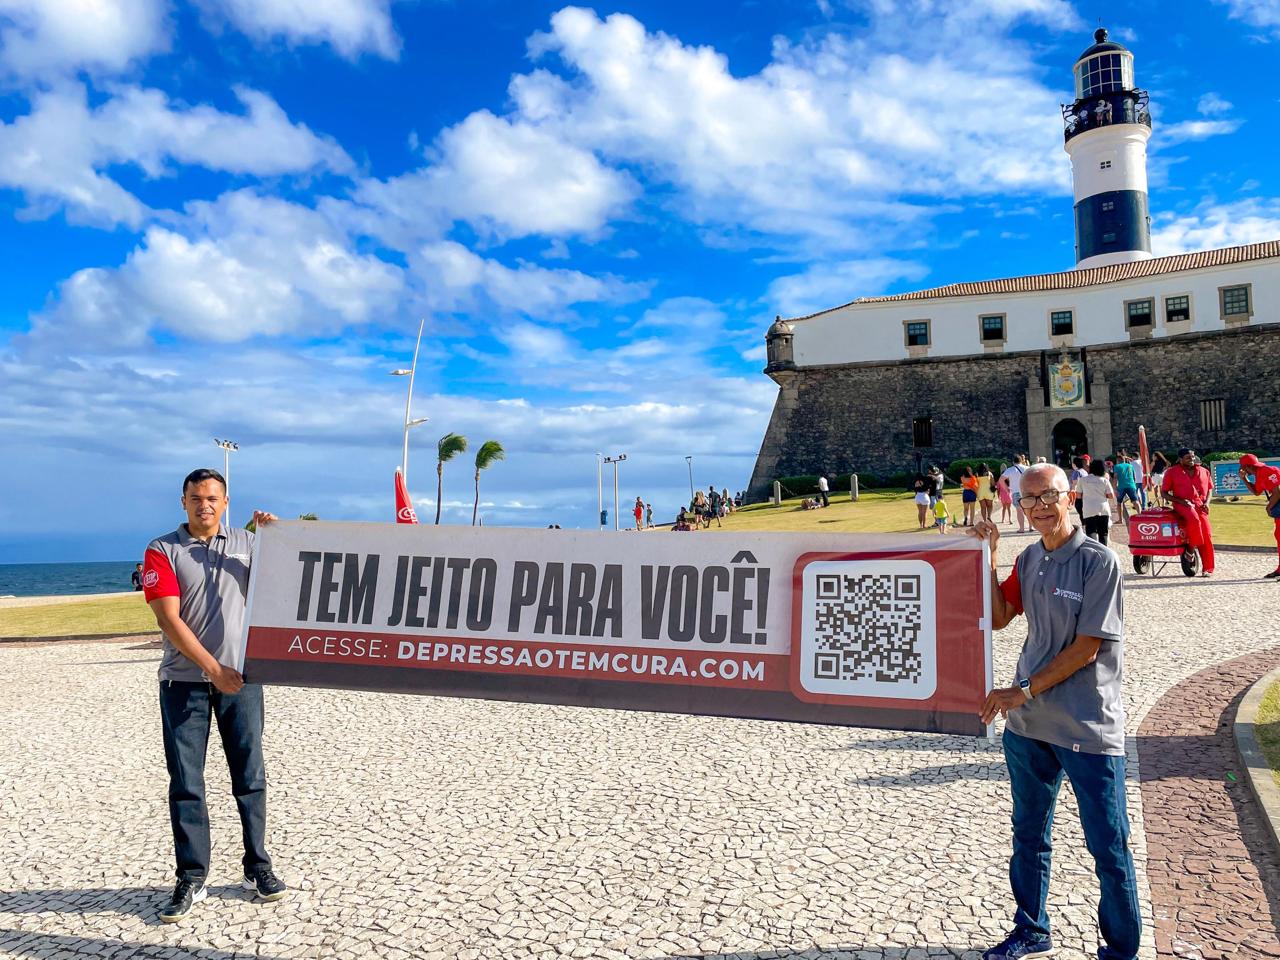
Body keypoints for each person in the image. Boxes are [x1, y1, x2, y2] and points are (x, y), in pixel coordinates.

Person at [968, 464, 1139, 960]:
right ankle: (1032, 929)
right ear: (1020, 506)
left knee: (1109, 847)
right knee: (1028, 835)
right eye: (1030, 499)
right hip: (1029, 727)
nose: (1040, 505)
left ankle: (1122, 949)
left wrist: (1022, 688)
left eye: (1049, 495)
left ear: (1071, 499)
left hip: (1086, 724)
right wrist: (990, 555)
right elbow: (999, 618)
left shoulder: (1098, 562)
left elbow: (1088, 646)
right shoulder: (1029, 560)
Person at [142, 468, 287, 923]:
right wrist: (213, 670)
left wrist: (275, 535)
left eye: (212, 498)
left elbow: (285, 586)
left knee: (250, 776)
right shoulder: (162, 549)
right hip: (183, 684)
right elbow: (168, 619)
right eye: (195, 498)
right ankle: (192, 876)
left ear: (226, 503)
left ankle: (257, 868)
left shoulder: (248, 544)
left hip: (242, 682)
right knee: (187, 784)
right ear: (183, 502)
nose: (204, 505)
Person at [1161, 448, 1215, 577]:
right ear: (1180, 459)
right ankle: (1190, 550)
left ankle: (1208, 568)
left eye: (1192, 457)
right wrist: (1180, 501)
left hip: (1200, 505)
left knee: (1206, 534)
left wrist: (1207, 503)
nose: (1191, 459)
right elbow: (1164, 493)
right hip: (1182, 504)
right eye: (1187, 457)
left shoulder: (1204, 471)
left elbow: (1209, 490)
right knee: (1194, 519)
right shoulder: (1171, 472)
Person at [1238, 454, 1280, 577]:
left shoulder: (1268, 471)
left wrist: (1268, 507)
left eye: (1243, 467)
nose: (1242, 469)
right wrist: (1244, 479)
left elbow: (1277, 493)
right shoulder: (1260, 473)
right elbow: (1257, 492)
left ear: (1247, 466)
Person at [1076, 459, 1118, 546]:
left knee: (1091, 531)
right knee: (1103, 533)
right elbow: (1111, 496)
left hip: (1089, 508)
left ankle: (1093, 550)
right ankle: (1104, 551)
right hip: (1103, 508)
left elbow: (1078, 496)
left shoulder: (1082, 480)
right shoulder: (1104, 480)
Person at [1000, 456, 1029, 532]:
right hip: (1026, 492)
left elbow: (1001, 480)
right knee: (1028, 509)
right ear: (1021, 461)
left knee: (1019, 511)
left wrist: (1006, 488)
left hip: (1016, 492)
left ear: (1013, 462)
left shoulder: (1010, 470)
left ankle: (1022, 528)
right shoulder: (1027, 468)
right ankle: (1031, 527)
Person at [1112, 455, 1140, 522]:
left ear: (1118, 460)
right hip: (1131, 485)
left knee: (1119, 503)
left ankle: (1120, 519)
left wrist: (1114, 488)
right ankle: (1140, 515)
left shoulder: (1117, 466)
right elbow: (1134, 477)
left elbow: (1115, 477)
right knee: (1135, 501)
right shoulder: (1130, 466)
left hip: (1121, 486)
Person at [1068, 457, 1088, 522]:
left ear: (1074, 464)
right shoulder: (1084, 471)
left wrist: (1072, 496)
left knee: (1081, 513)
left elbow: (1075, 484)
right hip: (1085, 494)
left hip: (1078, 495)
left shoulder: (1076, 472)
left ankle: (1084, 526)